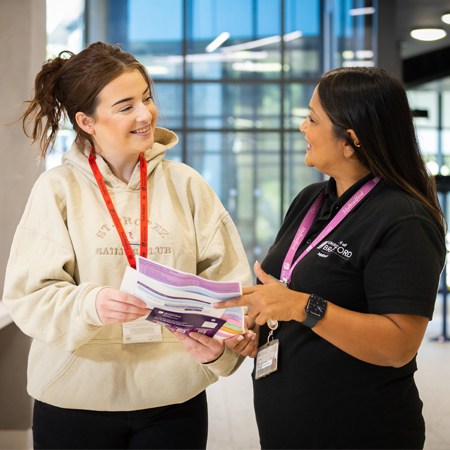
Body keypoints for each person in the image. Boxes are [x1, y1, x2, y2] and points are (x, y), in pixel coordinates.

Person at [2, 41, 256, 449]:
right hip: (74, 398)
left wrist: (220, 351)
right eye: (125, 106)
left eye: (147, 98)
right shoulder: (57, 190)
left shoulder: (187, 184)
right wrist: (91, 304)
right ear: (86, 121)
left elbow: (231, 287)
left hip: (174, 397)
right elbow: (28, 296)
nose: (145, 114)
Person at [215, 67, 446, 449]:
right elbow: (289, 297)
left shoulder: (404, 218)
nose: (302, 128)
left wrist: (301, 306)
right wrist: (257, 327)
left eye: (312, 118)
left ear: (350, 140)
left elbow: (399, 345)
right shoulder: (311, 200)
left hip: (363, 431)